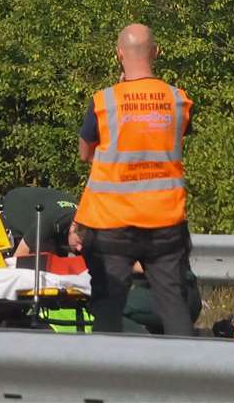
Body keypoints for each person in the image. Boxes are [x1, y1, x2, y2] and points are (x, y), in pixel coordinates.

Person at [68, 23, 196, 336]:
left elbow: (86, 153)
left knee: (109, 305)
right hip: (165, 222)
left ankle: (105, 377)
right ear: (156, 52)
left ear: (118, 54)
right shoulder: (178, 100)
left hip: (112, 222)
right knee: (173, 303)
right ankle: (186, 376)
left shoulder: (104, 102)